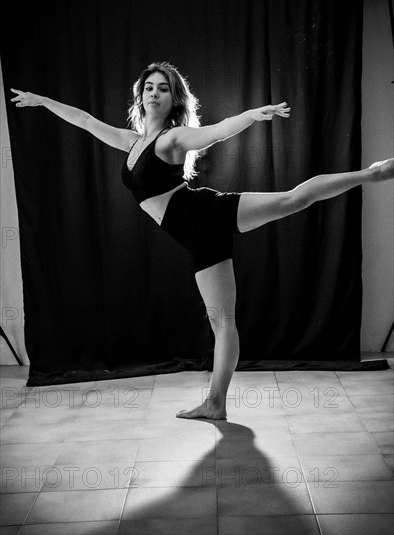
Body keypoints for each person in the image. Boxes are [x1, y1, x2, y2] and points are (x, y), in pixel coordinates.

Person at [10, 61, 394, 420]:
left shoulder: (173, 137)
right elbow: (86, 120)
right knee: (223, 321)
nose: (155, 94)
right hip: (196, 240)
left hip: (204, 213)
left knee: (293, 199)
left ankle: (371, 173)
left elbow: (215, 132)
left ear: (174, 98)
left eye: (163, 88)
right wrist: (43, 101)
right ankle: (215, 403)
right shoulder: (132, 142)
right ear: (140, 96)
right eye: (149, 88)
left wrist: (251, 115)